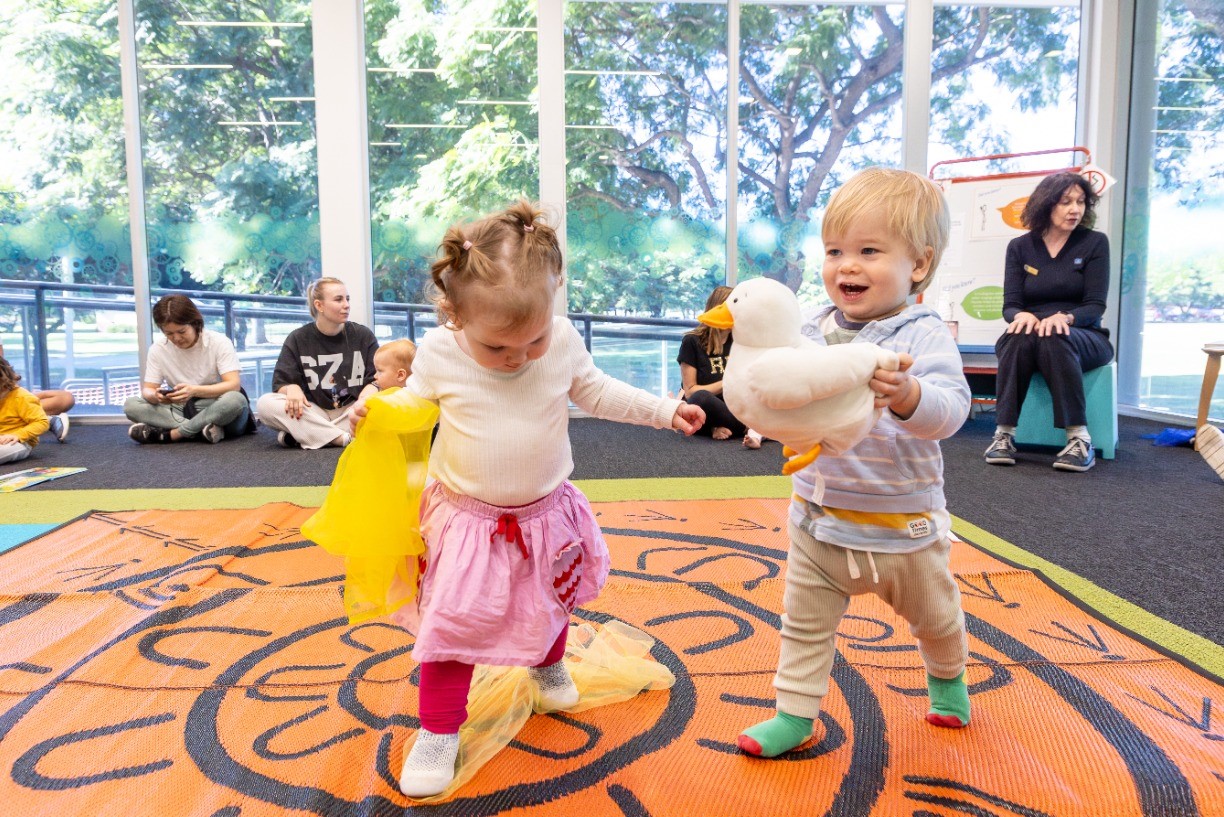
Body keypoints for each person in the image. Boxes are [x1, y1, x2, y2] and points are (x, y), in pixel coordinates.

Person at [352, 201, 705, 798]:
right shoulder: (440, 350)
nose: (517, 356)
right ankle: (438, 730)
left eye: (533, 339)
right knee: (453, 625)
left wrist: (664, 410)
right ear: (456, 315)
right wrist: (377, 408)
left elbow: (595, 390)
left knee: (551, 597)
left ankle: (546, 664)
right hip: (469, 521)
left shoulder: (561, 340)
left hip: (547, 514)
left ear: (555, 297)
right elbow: (415, 402)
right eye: (497, 347)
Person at [736, 167, 972, 758]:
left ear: (918, 264)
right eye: (834, 251)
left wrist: (911, 396)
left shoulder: (922, 334)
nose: (847, 266)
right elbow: (787, 386)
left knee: (937, 619)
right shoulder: (810, 329)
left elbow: (952, 411)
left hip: (903, 527)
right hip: (819, 520)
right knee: (803, 626)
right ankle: (794, 715)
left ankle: (948, 682)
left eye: (869, 251)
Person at [984, 171, 1113, 472]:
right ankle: (1003, 435)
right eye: (1066, 202)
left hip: (1084, 334)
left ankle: (1079, 439)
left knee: (1055, 333)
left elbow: (1095, 305)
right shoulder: (1020, 247)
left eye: (1080, 202)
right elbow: (1011, 306)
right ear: (1046, 204)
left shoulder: (1094, 243)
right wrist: (1020, 315)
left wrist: (1065, 317)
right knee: (1017, 336)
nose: (1075, 209)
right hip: (1032, 333)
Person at [255, 277, 379, 449]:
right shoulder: (298, 338)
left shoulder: (363, 335)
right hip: (313, 410)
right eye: (338, 299)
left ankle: (304, 435)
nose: (346, 305)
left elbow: (377, 379)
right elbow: (281, 384)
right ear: (319, 305)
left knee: (380, 404)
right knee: (265, 404)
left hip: (351, 410)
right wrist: (291, 388)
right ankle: (341, 438)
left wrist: (366, 397)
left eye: (347, 299)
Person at [124, 294, 253, 444]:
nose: (176, 338)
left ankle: (173, 434)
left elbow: (233, 385)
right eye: (169, 333)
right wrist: (156, 396)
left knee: (235, 400)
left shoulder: (219, 342)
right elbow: (148, 389)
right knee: (131, 405)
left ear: (195, 323)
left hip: (215, 405)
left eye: (182, 331)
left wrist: (194, 391)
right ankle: (203, 430)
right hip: (181, 407)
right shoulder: (158, 349)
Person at [678, 285, 764, 449]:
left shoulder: (741, 341)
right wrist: (728, 382)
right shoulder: (692, 341)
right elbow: (690, 392)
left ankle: (718, 428)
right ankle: (749, 428)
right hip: (708, 406)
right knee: (700, 398)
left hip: (735, 407)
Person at [0, 341, 73, 443]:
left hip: (10, 398)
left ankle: (38, 418)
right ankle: (43, 419)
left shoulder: (15, 393)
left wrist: (25, 398)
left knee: (66, 398)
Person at [0, 355, 50, 464]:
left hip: (19, 441)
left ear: (3, 379)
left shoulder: (22, 397)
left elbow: (42, 422)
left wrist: (18, 435)